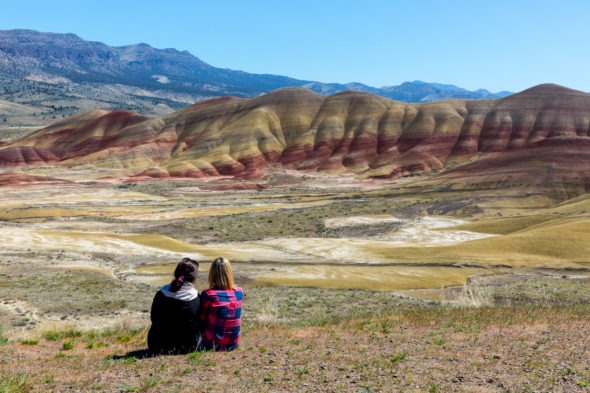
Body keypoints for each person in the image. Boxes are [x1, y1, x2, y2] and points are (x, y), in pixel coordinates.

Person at [147, 257, 200, 354]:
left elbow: (153, 317)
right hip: (187, 347)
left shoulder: (161, 294)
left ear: (176, 273)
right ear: (194, 277)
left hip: (157, 345)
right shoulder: (196, 298)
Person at [197, 257, 244, 351]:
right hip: (233, 343)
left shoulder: (208, 295)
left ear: (212, 274)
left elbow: (201, 319)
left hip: (212, 344)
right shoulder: (239, 292)